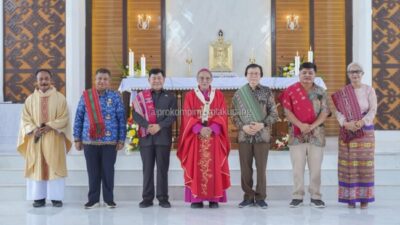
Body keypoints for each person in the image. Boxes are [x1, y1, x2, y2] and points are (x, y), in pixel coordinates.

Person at [17, 69, 72, 208]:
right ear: (36, 81)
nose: (44, 82)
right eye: (41, 79)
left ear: (51, 80)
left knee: (54, 166)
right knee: (38, 166)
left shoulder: (60, 98)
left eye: (46, 78)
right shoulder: (30, 100)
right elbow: (25, 119)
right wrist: (33, 129)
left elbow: (64, 117)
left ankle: (56, 198)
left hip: (54, 139)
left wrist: (51, 126)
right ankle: (38, 197)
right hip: (36, 139)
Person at [177, 68, 231, 209]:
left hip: (214, 137)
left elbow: (222, 114)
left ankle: (214, 198)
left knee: (214, 166)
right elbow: (187, 115)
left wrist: (212, 128)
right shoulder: (190, 96)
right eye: (201, 78)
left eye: (207, 78)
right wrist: (199, 129)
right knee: (196, 166)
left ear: (211, 79)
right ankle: (196, 199)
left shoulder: (218, 95)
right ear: (197, 79)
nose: (204, 81)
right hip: (196, 137)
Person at [279, 62, 330, 208]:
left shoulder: (321, 91)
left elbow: (325, 112)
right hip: (297, 134)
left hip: (316, 134)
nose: (307, 75)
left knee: (316, 168)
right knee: (297, 167)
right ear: (299, 74)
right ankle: (297, 196)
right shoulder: (290, 90)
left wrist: (312, 126)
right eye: (304, 73)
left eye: (310, 73)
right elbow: (287, 112)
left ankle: (315, 196)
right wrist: (301, 125)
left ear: (315, 75)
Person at [73, 68, 126, 209]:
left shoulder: (116, 97)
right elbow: (78, 117)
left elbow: (121, 119)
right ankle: (93, 199)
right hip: (89, 141)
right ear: (95, 80)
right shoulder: (86, 96)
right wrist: (77, 138)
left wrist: (121, 139)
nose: (102, 81)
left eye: (105, 79)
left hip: (110, 141)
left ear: (109, 82)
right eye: (99, 79)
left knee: (108, 171)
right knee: (93, 171)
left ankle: (109, 199)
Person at [232, 64, 278, 209]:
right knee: (245, 168)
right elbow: (233, 114)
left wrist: (262, 124)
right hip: (244, 136)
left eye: (256, 73)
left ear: (260, 75)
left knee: (261, 168)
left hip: (262, 136)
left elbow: (274, 114)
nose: (253, 76)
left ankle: (260, 197)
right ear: (246, 75)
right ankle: (248, 197)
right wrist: (243, 126)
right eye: (250, 73)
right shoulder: (239, 93)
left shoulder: (267, 92)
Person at [332, 62, 377, 209]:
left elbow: (373, 110)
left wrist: (362, 122)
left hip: (365, 131)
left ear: (362, 74)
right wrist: (345, 123)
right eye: (352, 72)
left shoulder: (369, 90)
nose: (355, 74)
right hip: (348, 130)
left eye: (358, 71)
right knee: (349, 164)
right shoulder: (343, 92)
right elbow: (337, 112)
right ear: (348, 74)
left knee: (365, 164)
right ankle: (350, 198)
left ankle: (364, 198)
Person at [132, 68, 177, 208]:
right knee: (147, 169)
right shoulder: (140, 97)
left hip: (163, 137)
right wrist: (147, 125)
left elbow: (173, 115)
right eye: (153, 78)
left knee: (163, 169)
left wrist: (159, 126)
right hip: (146, 138)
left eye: (159, 78)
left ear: (163, 79)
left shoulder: (170, 97)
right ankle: (147, 198)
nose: (156, 81)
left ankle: (163, 198)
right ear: (149, 80)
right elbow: (135, 114)